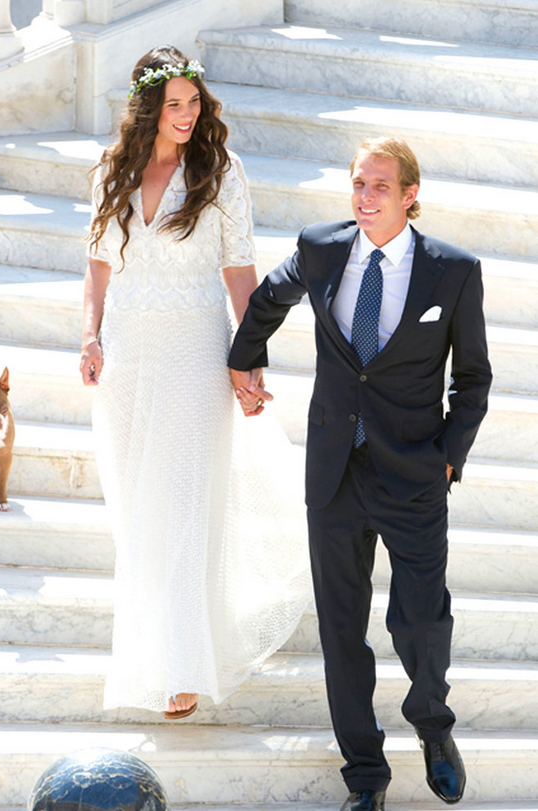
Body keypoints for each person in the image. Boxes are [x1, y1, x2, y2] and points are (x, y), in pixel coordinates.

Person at [228, 136, 492, 809]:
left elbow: (473, 378)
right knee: (342, 629)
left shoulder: (451, 271)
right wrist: (244, 358)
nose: (364, 197)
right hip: (334, 471)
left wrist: (449, 456)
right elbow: (268, 298)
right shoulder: (322, 247)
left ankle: (432, 725)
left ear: (410, 194)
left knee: (421, 619)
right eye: (357, 184)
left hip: (413, 471)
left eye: (379, 186)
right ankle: (365, 778)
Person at [79, 45, 310, 721]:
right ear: (147, 106)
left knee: (181, 506)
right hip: (126, 356)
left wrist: (250, 357)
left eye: (194, 102)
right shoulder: (111, 170)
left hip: (193, 351)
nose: (187, 115)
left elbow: (240, 271)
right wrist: (89, 334)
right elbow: (97, 263)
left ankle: (180, 668)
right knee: (138, 512)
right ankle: (158, 648)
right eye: (173, 103)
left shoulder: (221, 172)